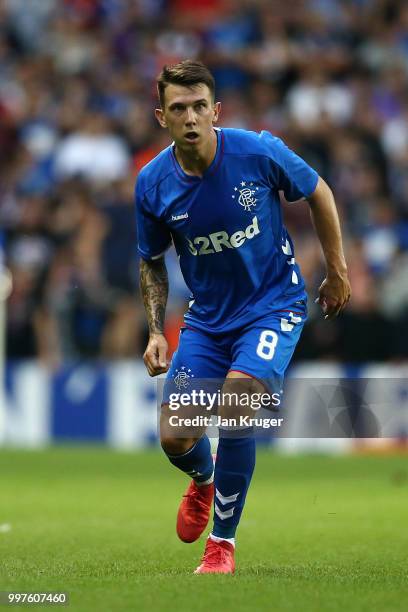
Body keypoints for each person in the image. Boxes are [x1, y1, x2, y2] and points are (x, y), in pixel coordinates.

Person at [135, 60, 351, 574]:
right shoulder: (151, 183)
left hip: (273, 305)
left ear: (216, 111)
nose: (190, 117)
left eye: (199, 106)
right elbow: (151, 261)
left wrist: (337, 271)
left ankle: (222, 546)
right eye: (178, 108)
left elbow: (318, 190)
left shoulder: (257, 151)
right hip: (208, 320)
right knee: (175, 437)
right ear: (161, 117)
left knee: (236, 407)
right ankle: (204, 482)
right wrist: (153, 330)